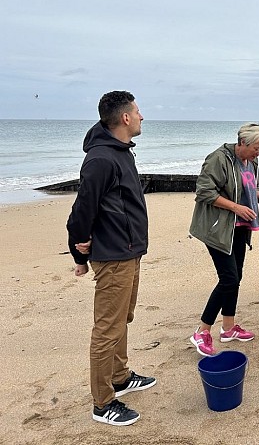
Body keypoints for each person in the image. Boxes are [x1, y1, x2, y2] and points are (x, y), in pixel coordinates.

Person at [66, 90, 156, 426]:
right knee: (107, 329)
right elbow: (81, 211)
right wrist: (79, 249)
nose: (142, 115)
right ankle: (103, 403)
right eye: (137, 110)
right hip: (114, 256)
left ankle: (120, 377)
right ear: (125, 118)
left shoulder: (122, 153)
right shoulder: (101, 159)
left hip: (129, 251)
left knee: (123, 318)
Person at [189, 123, 259, 357]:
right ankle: (202, 331)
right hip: (218, 228)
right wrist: (236, 207)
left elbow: (251, 185)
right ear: (242, 144)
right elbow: (204, 192)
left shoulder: (252, 160)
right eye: (256, 148)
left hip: (241, 228)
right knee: (228, 279)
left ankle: (228, 328)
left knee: (236, 277)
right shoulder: (218, 159)